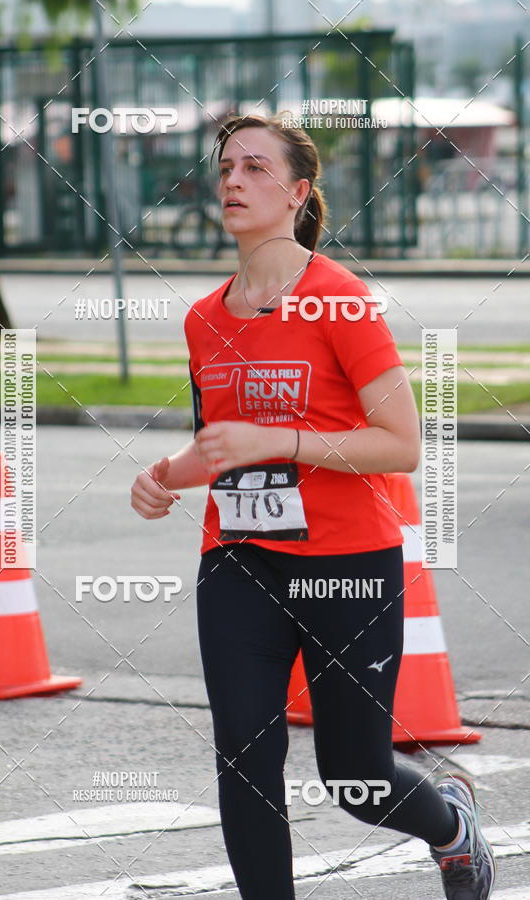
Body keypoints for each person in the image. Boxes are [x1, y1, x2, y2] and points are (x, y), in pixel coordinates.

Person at [130, 112, 496, 900]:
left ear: (297, 194)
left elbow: (403, 443)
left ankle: (451, 822)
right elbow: (223, 443)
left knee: (353, 777)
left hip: (349, 567)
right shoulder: (205, 319)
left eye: (255, 168)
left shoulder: (340, 300)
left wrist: (285, 442)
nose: (232, 180)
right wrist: (164, 475)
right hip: (239, 562)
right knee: (245, 755)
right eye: (226, 167)